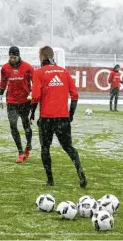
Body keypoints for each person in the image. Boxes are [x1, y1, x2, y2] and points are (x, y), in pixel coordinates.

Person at [30, 46, 86, 188]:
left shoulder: (39, 73)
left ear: (41, 57)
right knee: (69, 147)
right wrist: (70, 114)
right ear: (52, 56)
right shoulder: (64, 72)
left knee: (45, 148)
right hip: (63, 118)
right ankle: (80, 173)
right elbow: (75, 95)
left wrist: (31, 113)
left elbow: (36, 96)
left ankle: (50, 180)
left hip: (47, 119)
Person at [0, 46, 35, 163]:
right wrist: (0, 96)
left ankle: (28, 146)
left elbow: (36, 80)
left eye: (15, 57)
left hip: (25, 101)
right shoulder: (5, 68)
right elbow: (3, 82)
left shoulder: (27, 67)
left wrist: (33, 92)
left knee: (25, 125)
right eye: (11, 57)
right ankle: (20, 152)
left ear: (19, 56)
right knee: (13, 125)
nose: (13, 59)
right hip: (11, 101)